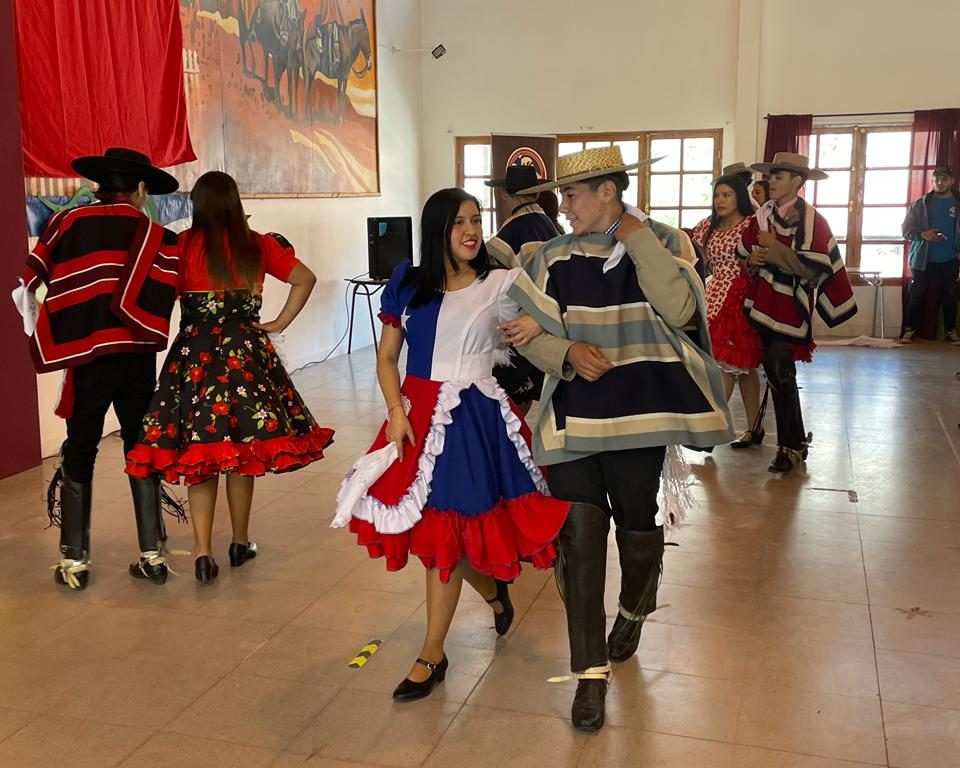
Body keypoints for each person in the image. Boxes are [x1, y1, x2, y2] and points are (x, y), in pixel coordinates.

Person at [504, 147, 733, 732]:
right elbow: (523, 333)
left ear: (608, 192)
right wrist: (567, 352)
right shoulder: (549, 254)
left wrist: (633, 235)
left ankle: (633, 608)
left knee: (636, 522)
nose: (563, 205)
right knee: (579, 536)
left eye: (573, 195)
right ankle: (589, 673)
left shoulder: (665, 242)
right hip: (574, 416)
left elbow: (681, 307)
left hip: (641, 415)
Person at [332, 187, 568, 703]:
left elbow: (557, 311)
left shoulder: (503, 283)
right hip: (415, 415)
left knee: (447, 532)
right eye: (460, 221)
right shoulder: (407, 284)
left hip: (473, 420)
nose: (471, 230)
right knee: (436, 533)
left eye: (477, 220)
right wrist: (395, 411)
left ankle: (431, 654)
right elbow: (387, 357)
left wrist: (537, 321)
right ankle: (493, 594)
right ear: (436, 228)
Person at [125, 171, 334, 582]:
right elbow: (304, 278)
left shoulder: (181, 246)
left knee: (200, 454)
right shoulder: (256, 244)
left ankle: (203, 553)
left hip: (194, 357)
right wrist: (277, 322)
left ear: (198, 205)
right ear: (235, 202)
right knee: (242, 451)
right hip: (245, 355)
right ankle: (240, 542)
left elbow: (154, 294)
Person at [14, 148, 181, 590]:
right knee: (138, 444)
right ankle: (152, 554)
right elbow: (166, 285)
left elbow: (39, 274)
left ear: (101, 186)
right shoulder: (153, 233)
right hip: (136, 353)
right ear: (141, 189)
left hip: (88, 357)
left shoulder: (68, 223)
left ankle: (75, 562)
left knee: (80, 445)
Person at [739, 152, 857, 473]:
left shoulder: (812, 221)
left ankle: (789, 446)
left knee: (779, 368)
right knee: (778, 374)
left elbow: (813, 270)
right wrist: (755, 259)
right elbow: (745, 255)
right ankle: (794, 443)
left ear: (798, 182)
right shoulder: (762, 216)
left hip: (791, 306)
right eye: (771, 176)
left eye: (779, 177)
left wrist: (773, 249)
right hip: (764, 302)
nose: (771, 182)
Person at [691, 174, 765, 447]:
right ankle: (751, 427)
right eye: (717, 195)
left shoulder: (751, 225)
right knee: (735, 367)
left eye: (726, 195)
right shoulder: (708, 226)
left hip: (740, 296)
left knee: (734, 365)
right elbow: (695, 253)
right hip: (713, 294)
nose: (720, 200)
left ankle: (717, 428)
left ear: (740, 197)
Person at [485, 164, 560, 411]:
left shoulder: (509, 233)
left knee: (510, 396)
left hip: (518, 321)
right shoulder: (550, 226)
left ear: (505, 194)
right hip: (550, 316)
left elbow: (491, 282)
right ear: (538, 193)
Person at [901, 166, 960, 344]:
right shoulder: (921, 203)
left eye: (944, 179)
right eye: (936, 179)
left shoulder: (958, 202)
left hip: (950, 258)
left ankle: (951, 330)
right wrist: (923, 234)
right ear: (932, 181)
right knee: (917, 294)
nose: (940, 182)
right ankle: (909, 329)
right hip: (922, 259)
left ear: (952, 181)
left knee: (950, 295)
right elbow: (906, 230)